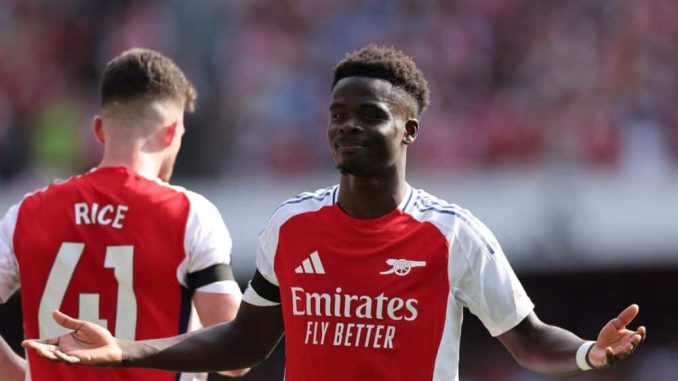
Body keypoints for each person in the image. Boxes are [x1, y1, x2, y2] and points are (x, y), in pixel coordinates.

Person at [23, 44, 646, 381]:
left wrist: (591, 351)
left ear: (410, 130)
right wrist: (128, 352)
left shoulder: (453, 235)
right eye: (336, 115)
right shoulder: (291, 227)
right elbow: (247, 338)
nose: (347, 127)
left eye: (368, 115)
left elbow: (528, 339)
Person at [1, 48, 247, 380]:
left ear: (99, 130)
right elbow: (236, 355)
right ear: (172, 132)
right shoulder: (189, 215)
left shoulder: (27, 213)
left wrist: (19, 375)